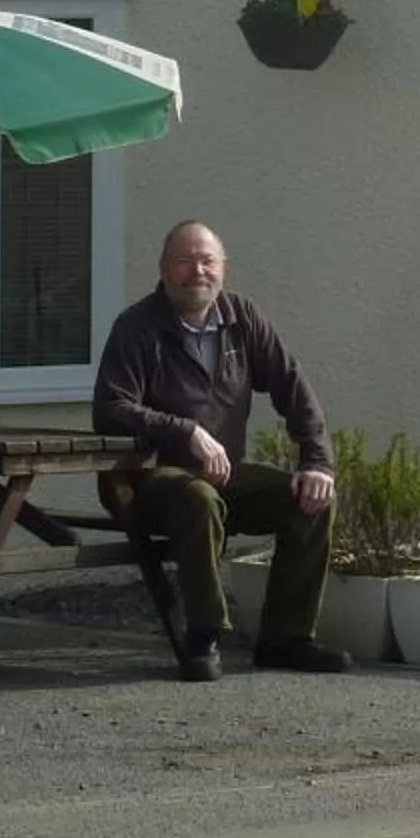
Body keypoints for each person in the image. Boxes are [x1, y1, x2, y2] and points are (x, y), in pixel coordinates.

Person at [94, 220, 350, 680]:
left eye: (207, 260)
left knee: (309, 501)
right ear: (164, 269)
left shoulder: (242, 318)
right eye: (185, 260)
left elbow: (295, 389)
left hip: (225, 473)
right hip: (147, 478)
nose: (197, 270)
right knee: (197, 497)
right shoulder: (137, 327)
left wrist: (316, 461)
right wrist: (184, 430)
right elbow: (110, 407)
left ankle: (286, 639)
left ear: (224, 269)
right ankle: (204, 634)